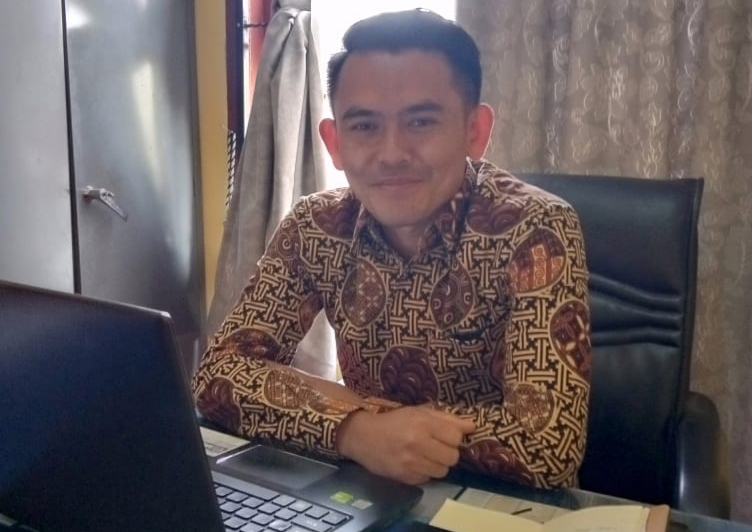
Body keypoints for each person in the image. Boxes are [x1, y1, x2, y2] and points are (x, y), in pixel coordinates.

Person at [193, 8, 591, 489]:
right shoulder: (316, 226)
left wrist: (363, 420)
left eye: (421, 122)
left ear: (475, 132)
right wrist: (355, 432)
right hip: (368, 487)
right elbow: (218, 374)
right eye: (364, 127)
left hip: (498, 503)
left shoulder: (535, 228)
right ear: (334, 141)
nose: (391, 154)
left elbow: (547, 445)